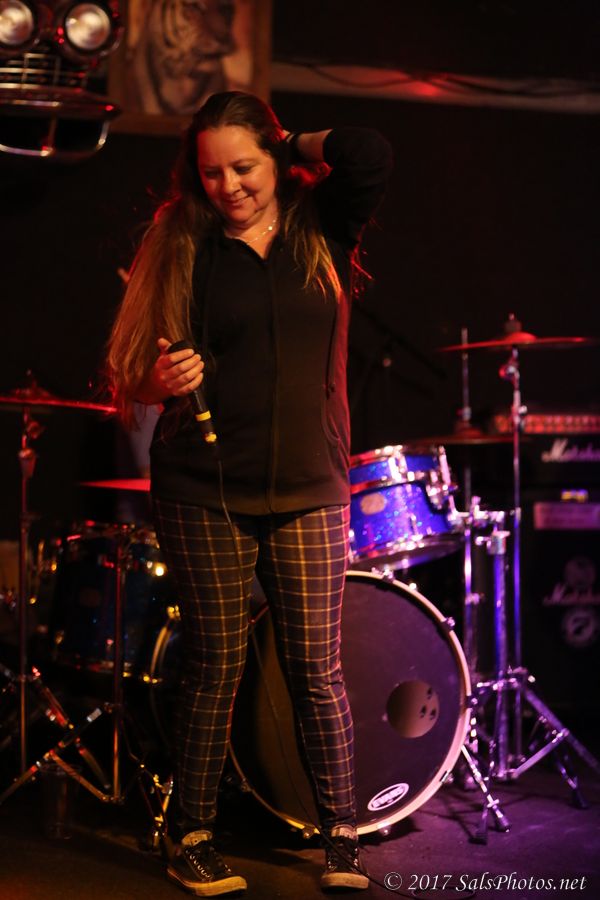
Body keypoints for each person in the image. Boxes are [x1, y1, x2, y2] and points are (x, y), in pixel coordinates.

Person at [107, 91, 392, 896]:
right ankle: (190, 833)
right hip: (204, 487)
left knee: (315, 667)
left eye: (244, 166)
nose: (229, 186)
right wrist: (158, 379)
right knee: (217, 663)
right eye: (211, 172)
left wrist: (290, 137)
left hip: (310, 483)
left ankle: (341, 835)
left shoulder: (319, 225)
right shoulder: (183, 240)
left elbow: (368, 150)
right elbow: (131, 369)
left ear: (276, 158)